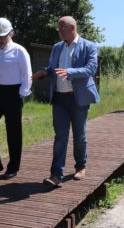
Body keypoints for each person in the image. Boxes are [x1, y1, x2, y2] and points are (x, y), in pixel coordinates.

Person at [32, 16, 100, 188]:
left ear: (72, 28)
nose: (59, 31)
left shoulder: (89, 46)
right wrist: (44, 72)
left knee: (79, 135)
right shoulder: (57, 47)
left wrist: (69, 72)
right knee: (60, 137)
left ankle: (80, 166)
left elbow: (91, 69)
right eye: (58, 28)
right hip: (59, 98)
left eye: (61, 27)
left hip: (78, 98)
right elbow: (53, 68)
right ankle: (56, 175)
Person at [0, 17, 32, 180]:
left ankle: (13, 167)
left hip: (13, 94)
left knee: (13, 132)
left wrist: (21, 95)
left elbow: (27, 75)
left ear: (11, 33)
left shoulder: (19, 51)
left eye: (2, 36)